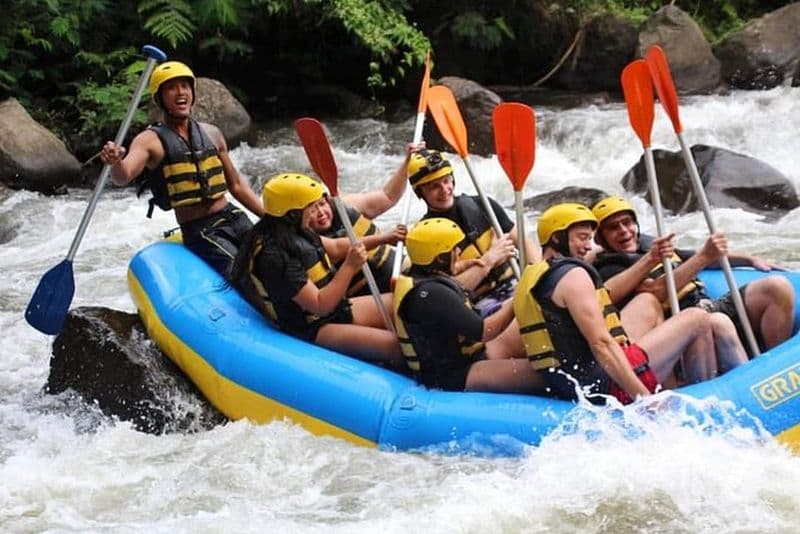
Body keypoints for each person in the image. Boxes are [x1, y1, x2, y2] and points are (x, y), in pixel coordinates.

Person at [513, 203, 725, 405]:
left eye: (590, 238)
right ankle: (702, 397)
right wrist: (644, 399)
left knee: (648, 302)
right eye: (582, 238)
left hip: (571, 382)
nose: (589, 246)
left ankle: (671, 384)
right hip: (606, 383)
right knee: (697, 318)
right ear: (557, 238)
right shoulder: (573, 276)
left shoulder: (531, 275)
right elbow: (602, 345)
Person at [99, 61, 264, 278]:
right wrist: (115, 162)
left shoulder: (212, 133)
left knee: (274, 258)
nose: (181, 93)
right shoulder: (150, 141)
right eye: (171, 88)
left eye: (185, 86)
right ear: (159, 98)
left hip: (232, 215)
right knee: (243, 273)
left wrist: (271, 218)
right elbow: (123, 176)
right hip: (200, 229)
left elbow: (235, 185)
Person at [231, 173, 403, 368]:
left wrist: (383, 239)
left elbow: (338, 247)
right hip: (314, 327)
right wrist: (350, 265)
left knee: (405, 302)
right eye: (311, 208)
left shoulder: (295, 229)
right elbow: (321, 305)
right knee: (396, 345)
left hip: (337, 309)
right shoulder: (274, 257)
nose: (317, 212)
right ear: (292, 213)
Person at [591, 196, 795, 355]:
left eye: (627, 223)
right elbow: (658, 291)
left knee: (777, 287)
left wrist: (749, 259)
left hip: (709, 305)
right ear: (601, 238)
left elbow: (701, 256)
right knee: (717, 322)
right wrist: (704, 256)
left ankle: (775, 363)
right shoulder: (611, 267)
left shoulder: (649, 245)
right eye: (613, 227)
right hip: (682, 324)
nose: (624, 231)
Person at [393, 217, 545, 392]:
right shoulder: (430, 295)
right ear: (440, 258)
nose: (458, 252)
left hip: (475, 355)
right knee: (546, 375)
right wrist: (517, 299)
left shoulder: (420, 277)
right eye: (453, 249)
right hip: (457, 374)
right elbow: (484, 331)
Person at [408, 149, 540, 317]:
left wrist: (539, 280)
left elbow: (524, 242)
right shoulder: (425, 236)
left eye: (446, 180)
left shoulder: (483, 204)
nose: (444, 189)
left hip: (517, 284)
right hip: (480, 305)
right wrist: (490, 259)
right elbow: (444, 295)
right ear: (420, 193)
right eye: (434, 186)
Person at [306, 143, 422, 296]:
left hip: (401, 268)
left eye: (322, 204)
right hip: (371, 296)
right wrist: (385, 238)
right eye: (312, 209)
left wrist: (407, 163)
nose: (321, 213)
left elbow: (388, 196)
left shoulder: (343, 206)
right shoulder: (304, 237)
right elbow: (338, 248)